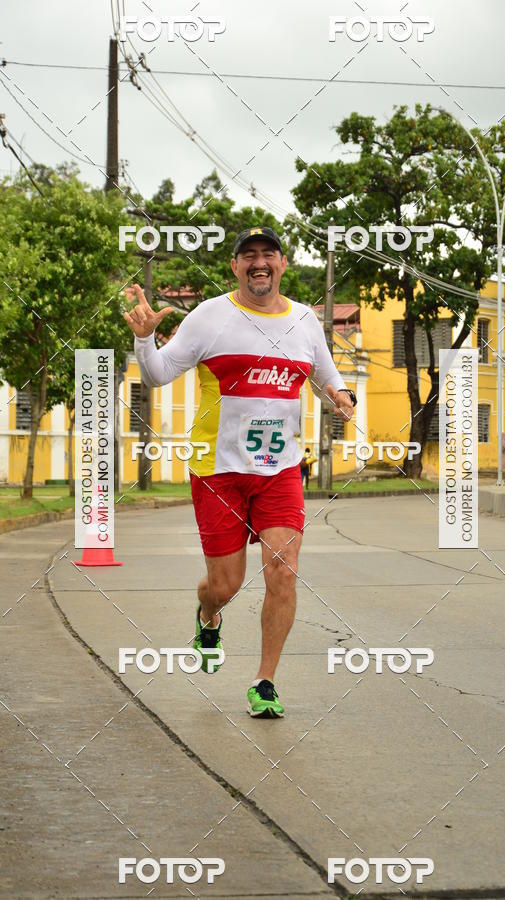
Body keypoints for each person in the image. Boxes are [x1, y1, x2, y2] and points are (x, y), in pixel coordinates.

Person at [123, 226, 355, 718]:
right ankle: (209, 615)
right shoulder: (211, 317)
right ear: (235, 267)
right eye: (247, 256)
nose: (258, 263)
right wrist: (145, 341)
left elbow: (325, 371)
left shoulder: (305, 322)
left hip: (280, 469)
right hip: (218, 471)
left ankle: (264, 682)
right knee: (225, 584)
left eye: (267, 254)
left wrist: (340, 395)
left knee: (282, 573)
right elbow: (158, 373)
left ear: (282, 263)